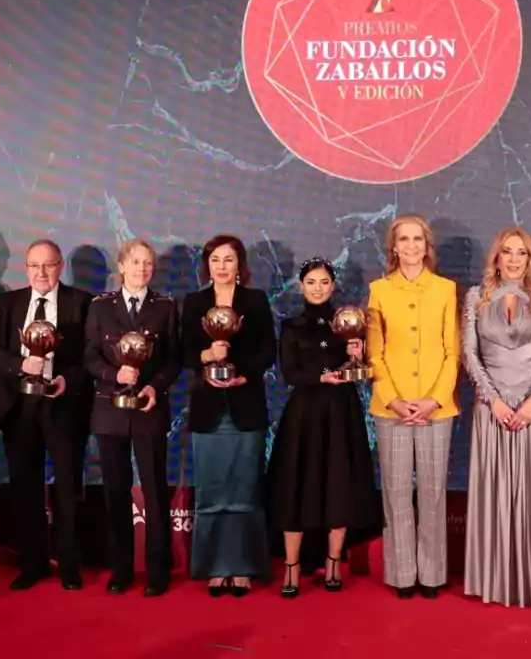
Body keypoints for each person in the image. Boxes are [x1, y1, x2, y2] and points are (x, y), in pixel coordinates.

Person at [462, 227, 531, 610]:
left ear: (530, 259)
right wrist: (493, 401)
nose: (513, 259)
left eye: (521, 253)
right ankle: (494, 580)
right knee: (494, 494)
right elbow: (469, 354)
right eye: (506, 251)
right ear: (496, 256)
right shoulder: (476, 296)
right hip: (491, 410)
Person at [0, 238, 91, 591]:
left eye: (49, 264)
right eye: (34, 265)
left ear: (60, 266)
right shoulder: (8, 304)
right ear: (25, 269)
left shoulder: (82, 304)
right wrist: (18, 365)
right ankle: (33, 563)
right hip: (19, 409)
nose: (42, 272)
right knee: (25, 488)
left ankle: (70, 565)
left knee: (67, 489)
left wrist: (65, 380)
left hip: (63, 406)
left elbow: (91, 355)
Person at [266, 257, 382, 597]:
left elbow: (362, 371)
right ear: (301, 287)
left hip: (341, 413)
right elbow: (289, 373)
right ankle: (292, 566)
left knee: (339, 486)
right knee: (295, 490)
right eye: (311, 282)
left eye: (324, 282)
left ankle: (334, 562)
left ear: (333, 286)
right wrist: (320, 377)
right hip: (304, 415)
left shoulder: (347, 322)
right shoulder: (291, 326)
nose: (318, 288)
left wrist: (359, 352)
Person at [367, 214, 459, 599]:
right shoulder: (379, 290)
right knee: (397, 492)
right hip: (393, 409)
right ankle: (403, 574)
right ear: (393, 247)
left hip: (437, 408)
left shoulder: (445, 289)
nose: (410, 246)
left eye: (417, 239)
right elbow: (374, 352)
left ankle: (433, 574)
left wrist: (434, 399)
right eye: (403, 239)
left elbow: (452, 351)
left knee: (434, 493)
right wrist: (394, 399)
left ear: (427, 245)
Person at [84, 238, 180, 597]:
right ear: (120, 267)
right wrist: (114, 376)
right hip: (109, 412)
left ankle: (158, 571)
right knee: (115, 493)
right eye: (135, 262)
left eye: (148, 263)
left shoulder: (166, 307)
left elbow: (173, 358)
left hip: (149, 410)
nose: (142, 269)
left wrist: (155, 385)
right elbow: (90, 357)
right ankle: (121, 570)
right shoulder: (101, 307)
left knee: (155, 493)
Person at [182, 234, 277, 597]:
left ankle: (243, 568)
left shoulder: (255, 301)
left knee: (245, 491)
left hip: (246, 407)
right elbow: (184, 352)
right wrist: (206, 357)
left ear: (240, 266)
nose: (222, 267)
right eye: (215, 260)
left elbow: (268, 350)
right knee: (211, 492)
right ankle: (212, 567)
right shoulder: (194, 303)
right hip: (207, 409)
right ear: (207, 265)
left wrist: (243, 374)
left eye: (229, 260)